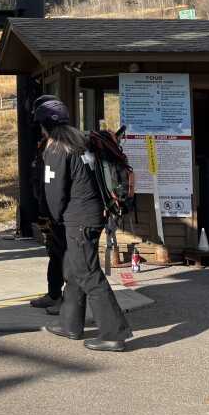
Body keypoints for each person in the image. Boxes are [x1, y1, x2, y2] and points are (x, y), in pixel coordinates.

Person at [36, 97, 131, 351]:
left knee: (89, 274)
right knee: (74, 268)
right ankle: (70, 324)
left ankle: (114, 333)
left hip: (78, 220)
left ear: (43, 124)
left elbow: (54, 193)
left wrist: (53, 219)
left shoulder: (57, 149)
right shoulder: (81, 142)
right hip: (92, 215)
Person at [29, 95, 66, 315]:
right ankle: (54, 294)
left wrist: (54, 212)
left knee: (65, 256)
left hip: (60, 211)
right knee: (54, 253)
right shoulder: (46, 144)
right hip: (49, 208)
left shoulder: (60, 147)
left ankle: (66, 301)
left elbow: (58, 183)